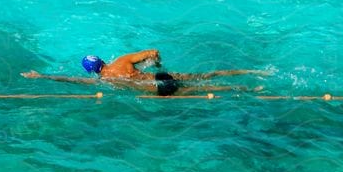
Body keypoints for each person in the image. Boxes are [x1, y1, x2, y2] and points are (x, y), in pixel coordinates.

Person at [21, 49, 266, 96]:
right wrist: (157, 65)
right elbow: (153, 51)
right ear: (103, 59)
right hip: (159, 77)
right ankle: (252, 72)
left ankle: (248, 90)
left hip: (156, 90)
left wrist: (41, 76)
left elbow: (70, 80)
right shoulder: (123, 61)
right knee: (206, 76)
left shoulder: (105, 80)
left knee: (204, 91)